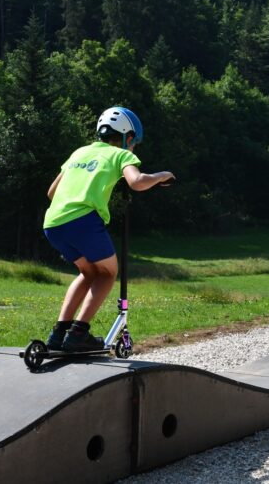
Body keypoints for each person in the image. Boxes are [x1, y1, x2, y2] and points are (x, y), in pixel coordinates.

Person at [41, 107, 174, 352]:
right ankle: (78, 333)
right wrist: (161, 176)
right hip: (83, 221)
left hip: (53, 223)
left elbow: (51, 193)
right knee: (107, 274)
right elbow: (136, 182)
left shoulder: (79, 152)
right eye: (134, 144)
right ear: (128, 138)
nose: (133, 148)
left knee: (88, 273)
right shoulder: (121, 155)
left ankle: (58, 334)